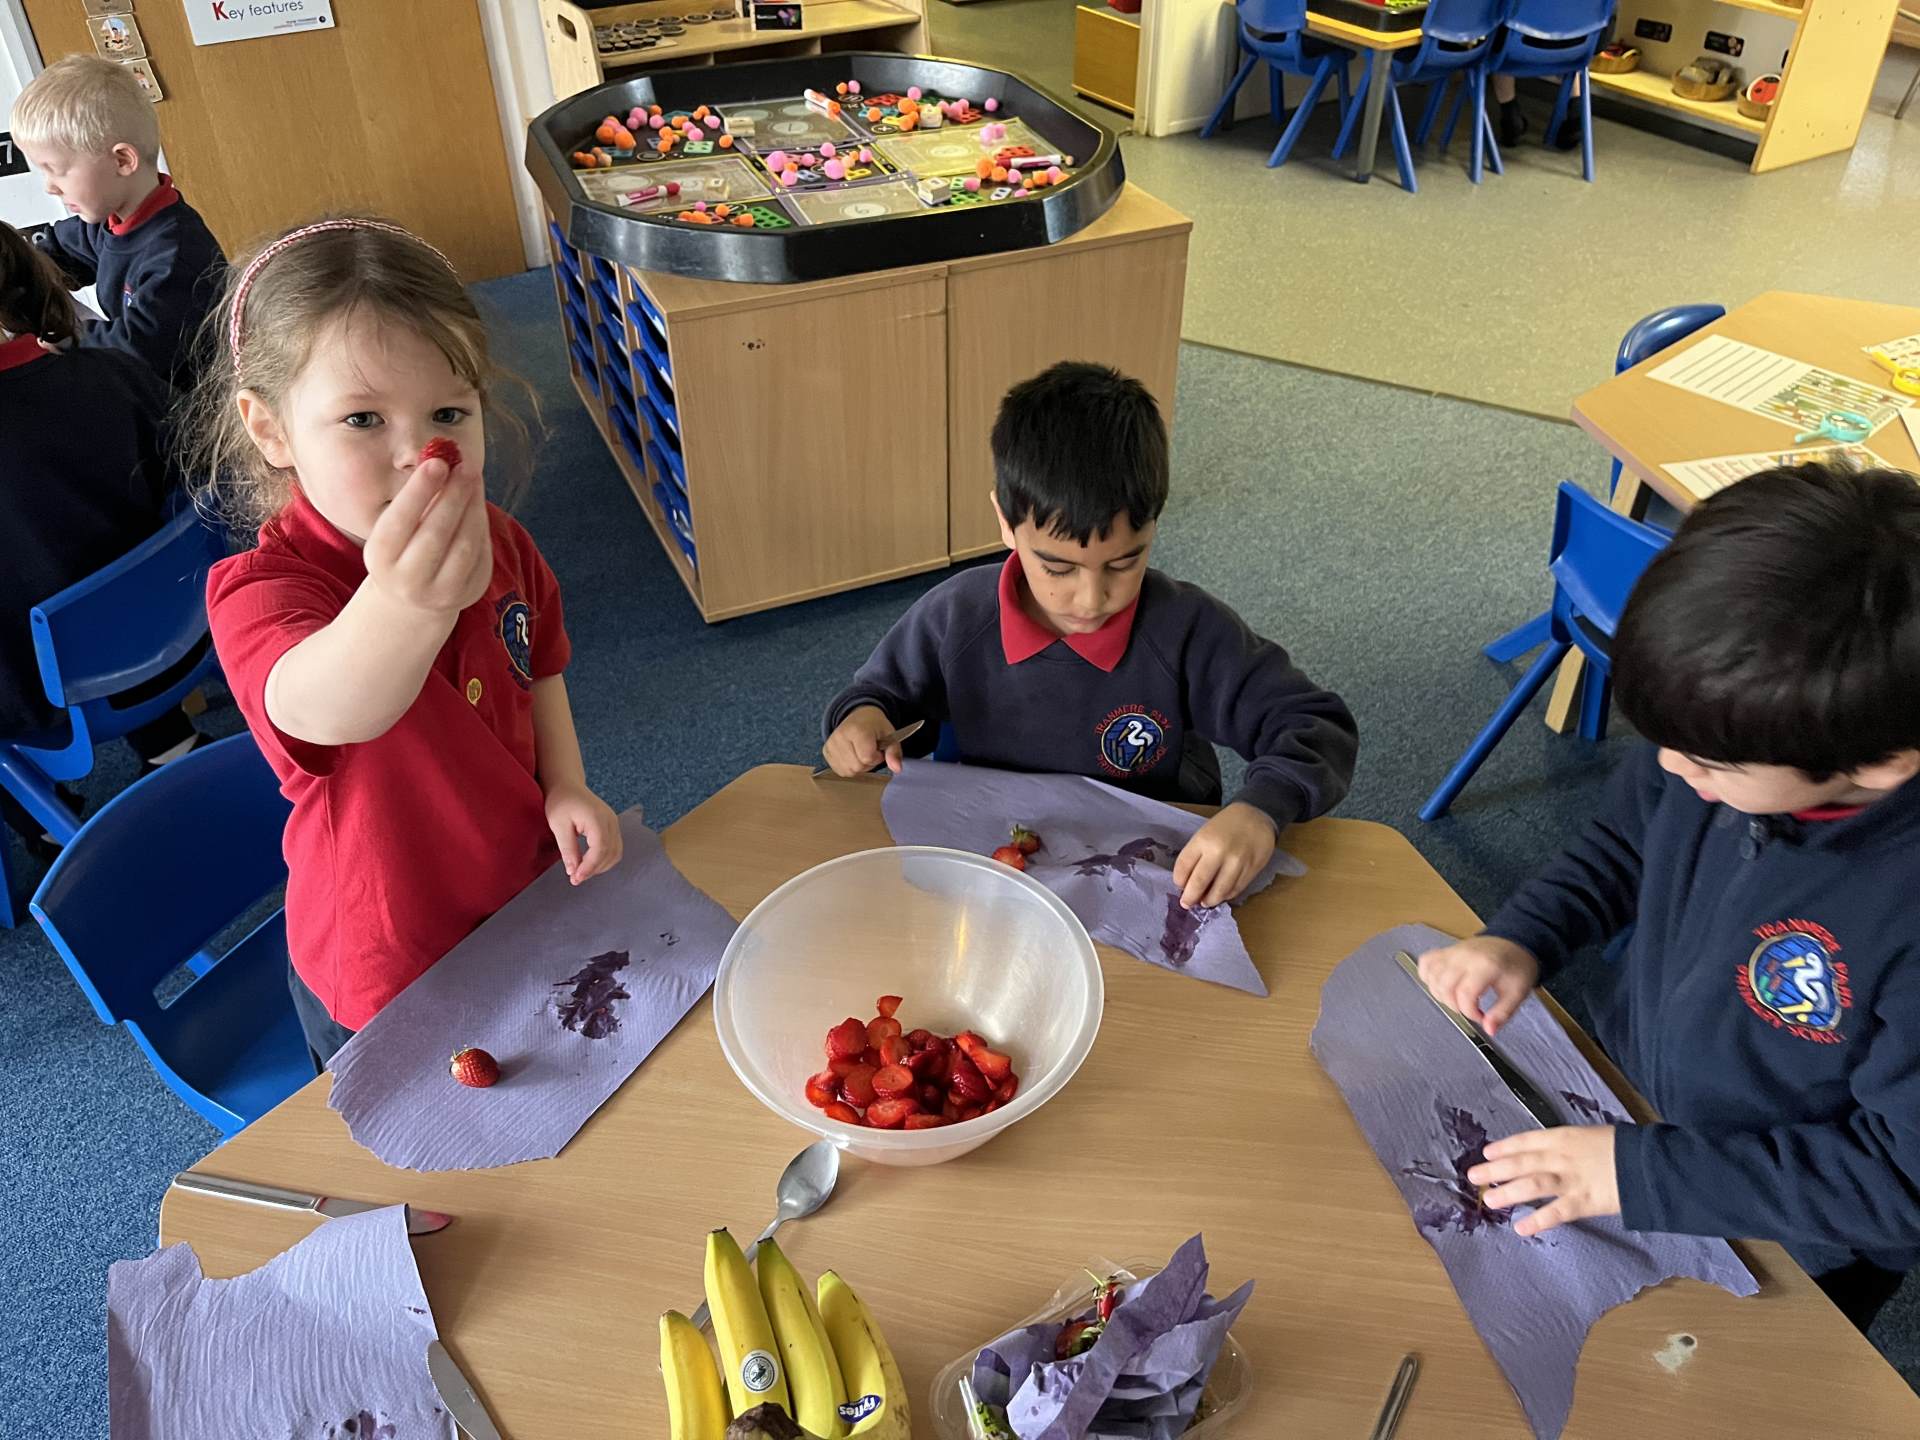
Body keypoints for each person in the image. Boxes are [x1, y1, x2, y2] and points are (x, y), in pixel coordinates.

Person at [1415, 461, 1920, 1332]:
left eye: (1711, 764)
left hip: (1793, 1237)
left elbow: (1899, 1184)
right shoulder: (1726, 734)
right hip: (1628, 1104)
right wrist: (1523, 936)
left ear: (1879, 764)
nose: (1674, 769)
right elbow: (1624, 843)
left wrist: (1636, 1173)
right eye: (1663, 742)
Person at [190, 216, 624, 1065]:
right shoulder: (264, 592)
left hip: (520, 901)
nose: (420, 455)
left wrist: (566, 784)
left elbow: (540, 668)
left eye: (449, 412)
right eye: (362, 419)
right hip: (387, 968)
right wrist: (404, 604)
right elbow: (326, 706)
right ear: (271, 430)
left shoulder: (501, 540)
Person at [821, 361, 1358, 909]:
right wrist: (861, 722)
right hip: (992, 856)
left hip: (1145, 869)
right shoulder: (956, 616)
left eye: (1124, 563)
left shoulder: (1186, 630)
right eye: (1057, 568)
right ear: (1005, 522)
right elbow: (881, 699)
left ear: (1153, 526)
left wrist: (1260, 810)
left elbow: (1315, 724)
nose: (1091, 599)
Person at [0, 222, 182, 848]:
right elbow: (196, 479)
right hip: (173, 636)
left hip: (41, 698)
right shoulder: (113, 372)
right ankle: (169, 740)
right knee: (96, 551)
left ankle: (42, 824)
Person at [10, 54, 225, 390]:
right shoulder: (105, 222)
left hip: (195, 404)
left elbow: (137, 348)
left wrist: (65, 338)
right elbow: (51, 252)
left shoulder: (176, 255)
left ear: (122, 161)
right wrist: (11, 264)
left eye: (57, 171)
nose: (50, 187)